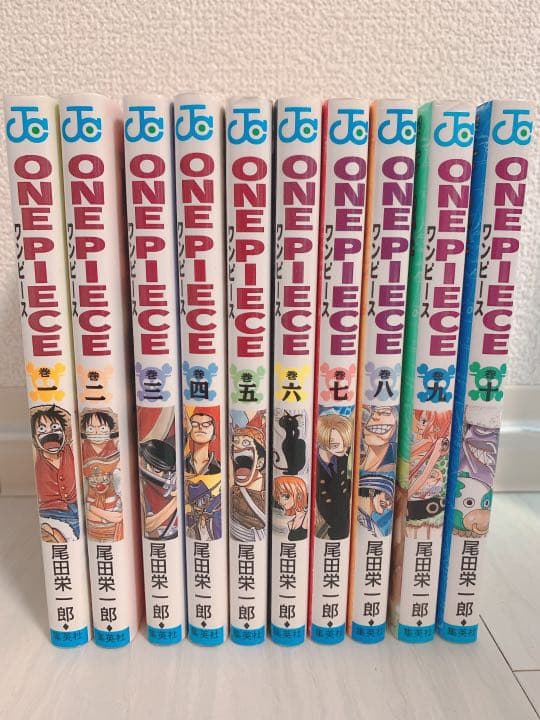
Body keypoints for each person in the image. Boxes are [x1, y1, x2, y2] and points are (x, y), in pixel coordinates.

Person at [30, 404, 80, 541]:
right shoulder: (37, 457)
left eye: (55, 427)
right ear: (34, 437)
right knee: (67, 533)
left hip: (77, 508)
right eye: (41, 429)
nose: (49, 433)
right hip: (51, 510)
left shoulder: (70, 451)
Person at [230, 411, 266, 542]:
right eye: (236, 443)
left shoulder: (268, 493)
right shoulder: (233, 492)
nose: (238, 447)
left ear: (260, 462)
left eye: (245, 443)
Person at [316, 412, 353, 539]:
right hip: (324, 509)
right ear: (322, 442)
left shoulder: (343, 455)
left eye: (346, 444)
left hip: (343, 506)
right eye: (336, 445)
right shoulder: (314, 461)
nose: (342, 449)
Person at [139, 438, 178, 540]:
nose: (162, 475)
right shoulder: (141, 486)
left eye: (167, 472)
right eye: (157, 470)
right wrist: (176, 502)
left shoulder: (165, 484)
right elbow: (147, 525)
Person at [360, 405, 398, 472]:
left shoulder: (395, 458)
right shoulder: (356, 458)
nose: (375, 416)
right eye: (367, 413)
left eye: (385, 412)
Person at [357, 473, 394, 537]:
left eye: (390, 501)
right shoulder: (357, 516)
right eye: (387, 497)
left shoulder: (371, 524)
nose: (388, 504)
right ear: (372, 491)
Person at [273, 475, 308, 541]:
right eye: (278, 497)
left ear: (299, 495)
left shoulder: (307, 516)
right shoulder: (290, 523)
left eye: (285, 496)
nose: (280, 501)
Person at [184, 411, 221, 476]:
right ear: (189, 434)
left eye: (206, 424)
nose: (200, 427)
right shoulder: (182, 463)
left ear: (213, 436)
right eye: (194, 424)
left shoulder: (219, 467)